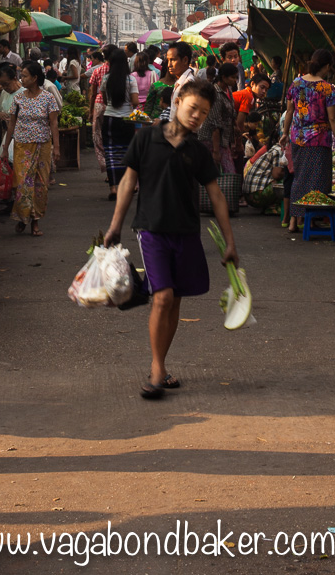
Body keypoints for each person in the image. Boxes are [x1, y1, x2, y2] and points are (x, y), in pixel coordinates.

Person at [104, 78, 240, 399]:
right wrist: (115, 226)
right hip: (151, 230)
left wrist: (230, 240)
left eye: (204, 114)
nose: (197, 117)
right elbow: (127, 184)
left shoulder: (197, 151)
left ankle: (161, 366)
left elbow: (216, 196)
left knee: (174, 300)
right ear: (177, 102)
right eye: (193, 108)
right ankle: (155, 370)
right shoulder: (146, 139)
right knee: (162, 297)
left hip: (186, 232)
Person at [280, 49, 335, 234]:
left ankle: (294, 221)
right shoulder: (326, 88)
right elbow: (333, 119)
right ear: (326, 66)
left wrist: (285, 133)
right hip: (318, 140)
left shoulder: (296, 83)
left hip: (298, 138)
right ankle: (311, 219)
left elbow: (290, 111)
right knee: (317, 182)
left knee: (299, 179)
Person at [6, 60, 60, 236]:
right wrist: (6, 147)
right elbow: (11, 125)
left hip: (42, 145)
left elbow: (53, 123)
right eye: (21, 76)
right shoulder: (18, 99)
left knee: (40, 185)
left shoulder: (48, 98)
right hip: (22, 146)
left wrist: (56, 147)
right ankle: (23, 218)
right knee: (22, 184)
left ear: (35, 78)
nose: (21, 79)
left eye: (25, 76)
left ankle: (35, 221)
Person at [100, 48, 140, 201]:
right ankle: (127, 186)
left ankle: (113, 188)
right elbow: (135, 101)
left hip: (109, 119)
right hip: (127, 120)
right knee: (126, 152)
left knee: (110, 153)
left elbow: (104, 100)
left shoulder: (106, 79)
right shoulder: (131, 80)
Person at [197, 62, 239, 172]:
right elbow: (215, 124)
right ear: (224, 77)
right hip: (210, 139)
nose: (235, 80)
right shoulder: (215, 93)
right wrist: (216, 151)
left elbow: (231, 113)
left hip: (223, 139)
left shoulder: (228, 90)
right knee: (227, 170)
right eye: (233, 77)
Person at [88, 45, 116, 179]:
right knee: (113, 136)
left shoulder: (98, 71)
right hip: (115, 105)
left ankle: (106, 166)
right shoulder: (119, 71)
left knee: (98, 136)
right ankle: (114, 167)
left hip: (99, 104)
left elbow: (93, 93)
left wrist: (90, 111)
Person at [243, 130, 286, 214]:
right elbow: (276, 174)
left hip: (249, 194)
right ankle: (273, 207)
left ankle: (270, 205)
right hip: (256, 195)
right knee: (286, 181)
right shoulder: (279, 150)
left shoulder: (274, 148)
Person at [0, 63, 21, 165]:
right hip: (7, 133)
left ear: (14, 78)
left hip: (20, 135)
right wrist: (0, 114)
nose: (5, 87)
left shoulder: (24, 93)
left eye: (7, 84)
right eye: (2, 85)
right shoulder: (4, 93)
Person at [166, 42, 195, 119]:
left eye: (173, 60)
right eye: (168, 60)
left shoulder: (188, 83)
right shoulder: (180, 81)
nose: (169, 65)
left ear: (185, 60)